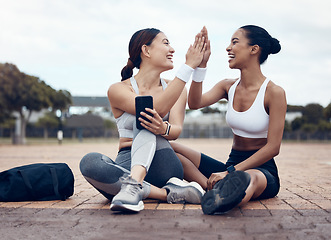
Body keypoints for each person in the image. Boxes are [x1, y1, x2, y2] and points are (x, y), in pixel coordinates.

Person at [80, 27, 209, 213]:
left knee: (145, 116)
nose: (172, 49)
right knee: (89, 163)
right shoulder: (118, 89)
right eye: (166, 43)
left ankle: (134, 186)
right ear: (146, 50)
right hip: (126, 161)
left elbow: (176, 130)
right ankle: (164, 193)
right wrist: (187, 67)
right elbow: (155, 108)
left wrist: (162, 127)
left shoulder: (177, 89)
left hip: (163, 161)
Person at [171, 25, 287, 215]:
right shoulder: (228, 86)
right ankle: (212, 190)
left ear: (254, 49)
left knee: (249, 178)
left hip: (262, 172)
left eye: (234, 42)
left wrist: (231, 172)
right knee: (170, 148)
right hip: (230, 167)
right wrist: (201, 65)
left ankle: (228, 197)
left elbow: (273, 147)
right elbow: (195, 102)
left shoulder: (274, 93)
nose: (228, 48)